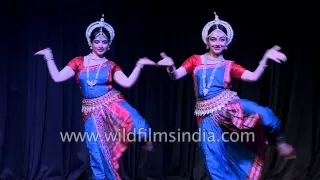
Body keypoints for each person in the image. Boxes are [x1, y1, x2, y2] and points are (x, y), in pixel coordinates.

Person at [156, 12, 296, 179]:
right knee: (213, 155)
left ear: (227, 42)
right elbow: (176, 76)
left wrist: (265, 58)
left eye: (222, 39)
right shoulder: (195, 60)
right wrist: (171, 66)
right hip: (206, 114)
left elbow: (253, 77)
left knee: (264, 113)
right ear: (207, 41)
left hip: (229, 106)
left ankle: (279, 141)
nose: (217, 43)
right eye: (213, 39)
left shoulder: (229, 65)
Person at [34, 14, 156, 180]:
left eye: (104, 41)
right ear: (90, 42)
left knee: (140, 127)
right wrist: (49, 56)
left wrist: (139, 65)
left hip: (113, 104)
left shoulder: (111, 66)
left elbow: (127, 83)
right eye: (97, 41)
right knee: (97, 153)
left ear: (109, 44)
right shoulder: (78, 62)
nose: (100, 45)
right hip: (91, 112)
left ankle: (144, 141)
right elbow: (57, 77)